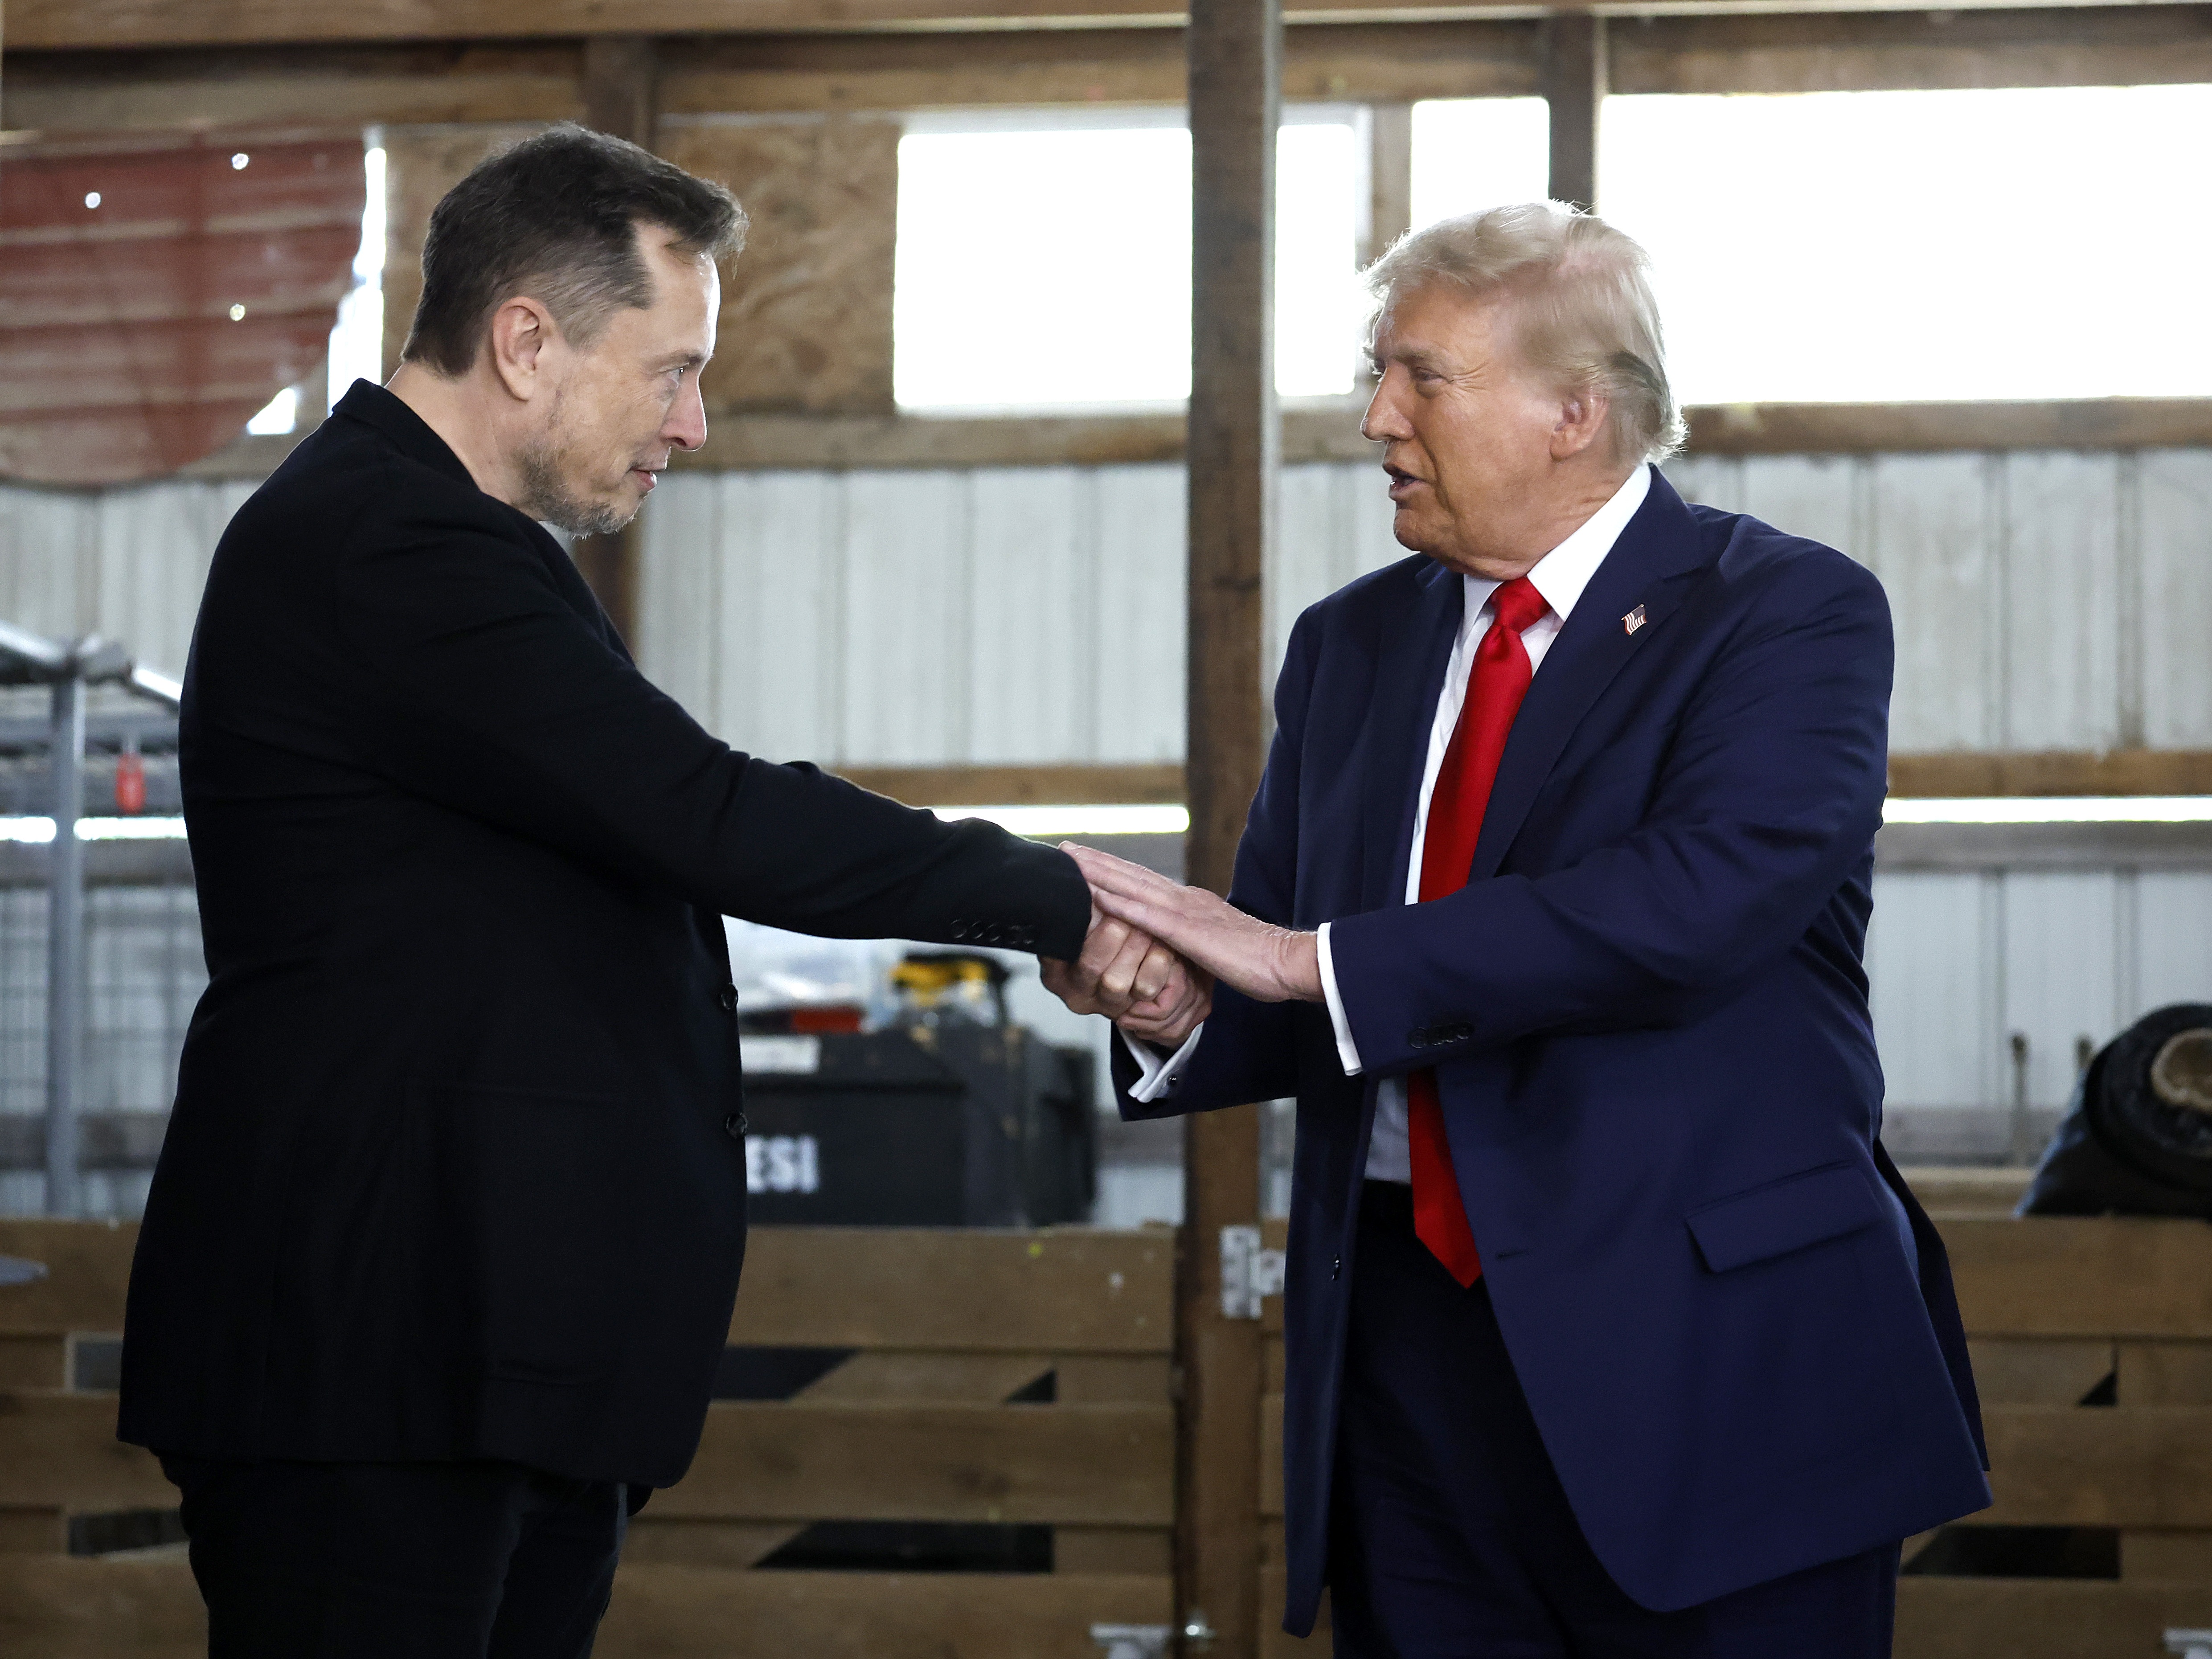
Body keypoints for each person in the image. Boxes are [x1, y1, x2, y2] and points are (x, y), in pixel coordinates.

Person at [118, 124, 1194, 1658]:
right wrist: (1061, 895)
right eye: (669, 368)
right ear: (525, 342)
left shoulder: (461, 544)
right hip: (378, 1348)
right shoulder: (382, 541)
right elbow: (709, 815)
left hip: (481, 1344)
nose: (692, 423)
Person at [1049, 202, 1990, 1657]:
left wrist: (1310, 959)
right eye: (1378, 372)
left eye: (1421, 375)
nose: (1374, 417)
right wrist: (1171, 1006)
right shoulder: (1347, 644)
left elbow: (1696, 903)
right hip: (1407, 1359)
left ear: (1575, 410)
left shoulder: (1784, 614)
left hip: (1709, 1356)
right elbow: (1284, 959)